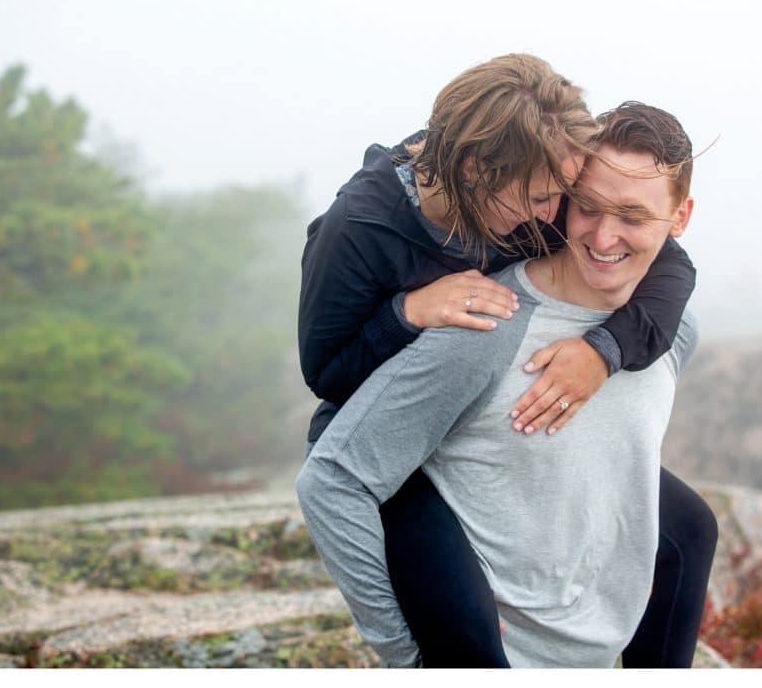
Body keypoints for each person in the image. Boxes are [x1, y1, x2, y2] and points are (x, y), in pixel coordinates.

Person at [297, 55, 717, 666]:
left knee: (689, 528)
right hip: (391, 418)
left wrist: (601, 352)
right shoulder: (359, 228)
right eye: (554, 199)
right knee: (465, 629)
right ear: (475, 173)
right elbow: (324, 372)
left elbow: (668, 264)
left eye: (562, 198)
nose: (557, 219)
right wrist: (408, 311)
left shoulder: (537, 184)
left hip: (479, 383)